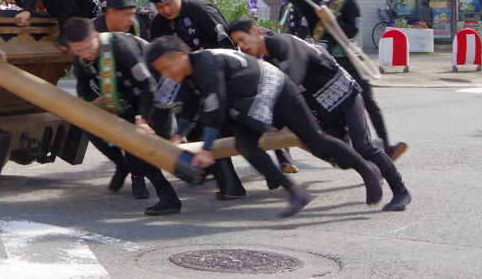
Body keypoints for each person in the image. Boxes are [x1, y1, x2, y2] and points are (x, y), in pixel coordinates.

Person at [147, 36, 384, 218]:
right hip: (254, 99)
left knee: (315, 139)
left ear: (179, 56)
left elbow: (214, 108)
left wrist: (207, 148)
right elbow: (189, 107)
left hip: (277, 88)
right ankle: (295, 192)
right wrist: (178, 135)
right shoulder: (188, 75)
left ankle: (368, 170)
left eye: (166, 68)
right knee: (246, 144)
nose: (166, 75)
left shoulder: (206, 64)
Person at [227, 16, 411, 212]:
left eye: (242, 39)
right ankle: (377, 149)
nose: (242, 46)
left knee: (363, 146)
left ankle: (400, 191)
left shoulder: (283, 43)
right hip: (324, 108)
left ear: (255, 31)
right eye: (237, 43)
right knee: (340, 158)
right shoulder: (271, 59)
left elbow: (292, 82)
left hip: (344, 94)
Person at [270, 0, 407, 161]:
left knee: (368, 102)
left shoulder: (347, 1)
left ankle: (386, 145)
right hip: (325, 66)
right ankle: (350, 150)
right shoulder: (313, 2)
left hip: (348, 60)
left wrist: (332, 19)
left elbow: (352, 30)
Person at [64, 18, 182, 215]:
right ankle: (166, 196)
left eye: (87, 48)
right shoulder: (81, 56)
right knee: (92, 127)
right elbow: (83, 84)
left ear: (96, 36)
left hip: (155, 94)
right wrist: (88, 103)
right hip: (123, 100)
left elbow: (148, 85)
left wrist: (142, 118)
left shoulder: (120, 47)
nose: (85, 54)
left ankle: (179, 179)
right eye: (78, 51)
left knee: (144, 146)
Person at [144, 0, 247, 199]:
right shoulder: (159, 24)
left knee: (209, 120)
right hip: (187, 81)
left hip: (221, 76)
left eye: (169, 4)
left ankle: (231, 184)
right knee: (179, 116)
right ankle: (207, 171)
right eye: (160, 7)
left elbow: (227, 47)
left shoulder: (202, 10)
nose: (166, 10)